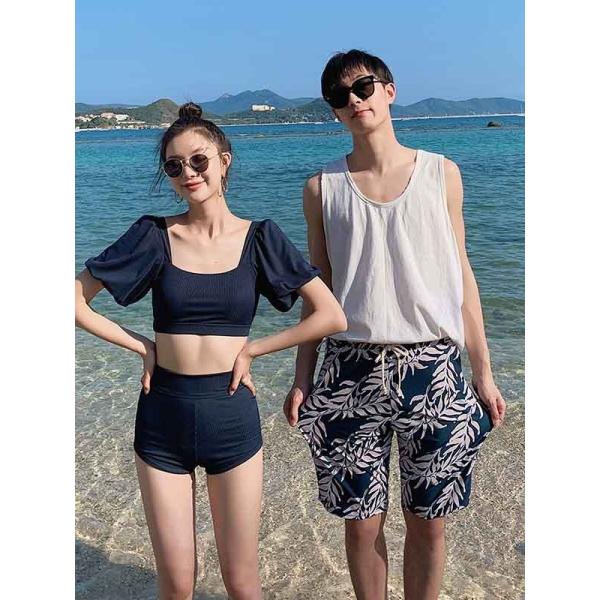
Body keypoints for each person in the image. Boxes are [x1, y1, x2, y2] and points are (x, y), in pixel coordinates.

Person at [75, 102, 347, 600]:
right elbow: (73, 302)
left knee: (241, 583)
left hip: (230, 416)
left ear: (224, 161)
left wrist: (254, 350)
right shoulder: (154, 235)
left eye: (198, 160)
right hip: (162, 417)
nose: (188, 173)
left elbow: (331, 315)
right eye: (174, 166)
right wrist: (141, 346)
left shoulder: (261, 238)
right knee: (177, 584)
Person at [284, 50, 506, 600]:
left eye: (363, 87)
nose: (353, 100)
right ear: (333, 111)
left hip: (433, 366)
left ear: (389, 90)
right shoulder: (321, 187)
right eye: (340, 96)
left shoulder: (441, 173)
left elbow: (462, 276)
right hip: (348, 369)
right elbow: (318, 288)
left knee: (429, 521)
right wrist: (302, 376)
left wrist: (483, 371)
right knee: (360, 523)